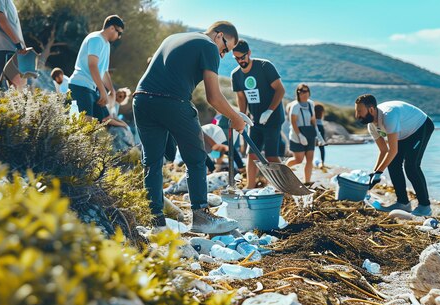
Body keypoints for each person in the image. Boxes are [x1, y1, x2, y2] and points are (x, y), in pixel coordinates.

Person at [133, 21, 252, 234]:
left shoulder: (175, 37)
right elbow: (213, 97)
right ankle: (201, 217)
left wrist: (234, 112)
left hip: (141, 100)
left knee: (151, 163)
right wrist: (235, 118)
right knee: (196, 159)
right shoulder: (208, 46)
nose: (223, 55)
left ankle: (156, 223)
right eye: (225, 48)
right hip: (172, 101)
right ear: (218, 35)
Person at [354, 94, 435, 216]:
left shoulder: (388, 116)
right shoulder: (371, 126)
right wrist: (374, 173)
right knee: (393, 164)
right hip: (403, 132)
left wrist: (379, 173)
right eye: (356, 111)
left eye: (359, 111)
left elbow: (392, 150)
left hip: (420, 126)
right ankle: (403, 203)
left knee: (411, 166)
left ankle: (425, 206)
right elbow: (383, 150)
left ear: (371, 109)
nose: (357, 115)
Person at [230, 40, 286, 189]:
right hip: (254, 120)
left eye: (242, 57)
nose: (240, 61)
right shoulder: (236, 75)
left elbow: (280, 90)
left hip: (272, 118)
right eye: (236, 58)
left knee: (271, 155)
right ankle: (250, 186)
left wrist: (269, 111)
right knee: (252, 155)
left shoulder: (264, 66)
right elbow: (241, 97)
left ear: (249, 53)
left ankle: (282, 186)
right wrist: (242, 115)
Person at [68, 15, 127, 130]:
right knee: (85, 127)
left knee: (106, 120)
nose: (119, 37)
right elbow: (92, 65)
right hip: (80, 86)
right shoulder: (96, 39)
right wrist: (102, 91)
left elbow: (103, 71)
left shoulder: (107, 45)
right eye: (119, 33)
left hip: (91, 89)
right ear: (111, 28)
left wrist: (111, 90)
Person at [0, 0, 26, 91]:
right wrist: (18, 44)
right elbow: (1, 20)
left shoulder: (9, 2)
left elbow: (12, 25)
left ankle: (18, 105)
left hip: (12, 49)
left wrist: (21, 45)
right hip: (0, 48)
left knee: (16, 86)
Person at [285, 84, 319, 184]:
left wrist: (318, 134)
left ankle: (307, 181)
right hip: (297, 135)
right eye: (301, 91)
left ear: (309, 92)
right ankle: (285, 169)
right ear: (298, 93)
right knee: (298, 160)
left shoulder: (311, 104)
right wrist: (300, 135)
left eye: (306, 91)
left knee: (310, 159)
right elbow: (293, 121)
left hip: (309, 134)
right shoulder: (295, 105)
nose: (304, 94)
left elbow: (313, 119)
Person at [315, 103, 327, 167]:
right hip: (320, 126)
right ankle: (322, 162)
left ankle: (310, 160)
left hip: (313, 126)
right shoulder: (321, 113)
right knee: (321, 146)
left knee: (311, 146)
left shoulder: (313, 112)